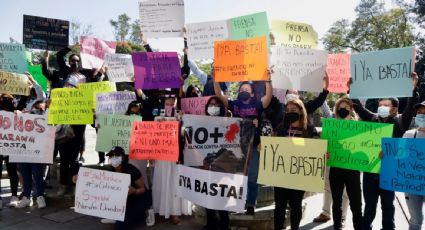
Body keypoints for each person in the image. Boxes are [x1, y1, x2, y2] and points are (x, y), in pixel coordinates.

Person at [351, 72, 419, 230]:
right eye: (381, 104)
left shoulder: (400, 123)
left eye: (386, 105)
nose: (382, 107)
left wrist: (412, 88)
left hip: (388, 172)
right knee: (369, 207)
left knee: (388, 206)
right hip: (370, 173)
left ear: (394, 110)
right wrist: (352, 89)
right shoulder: (372, 119)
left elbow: (409, 109)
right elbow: (358, 108)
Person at [213, 68, 273, 215]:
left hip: (254, 145)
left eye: (247, 89)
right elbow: (219, 95)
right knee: (237, 175)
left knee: (253, 176)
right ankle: (236, 202)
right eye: (241, 89)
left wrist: (268, 80)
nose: (243, 90)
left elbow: (268, 97)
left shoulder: (258, 104)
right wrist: (215, 79)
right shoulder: (234, 104)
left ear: (252, 93)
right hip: (237, 147)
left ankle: (251, 203)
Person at [274, 99, 319, 230]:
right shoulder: (281, 128)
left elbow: (317, 148)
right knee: (279, 206)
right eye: (287, 110)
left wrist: (322, 153)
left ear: (300, 111)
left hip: (299, 176)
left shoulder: (309, 130)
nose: (289, 113)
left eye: (293, 110)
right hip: (280, 174)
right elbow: (273, 146)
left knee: (296, 205)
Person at [152, 95, 192, 224]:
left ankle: (175, 211)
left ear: (176, 105)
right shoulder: (157, 118)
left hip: (176, 155)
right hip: (162, 156)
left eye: (172, 104)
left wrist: (182, 121)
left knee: (175, 182)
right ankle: (162, 208)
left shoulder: (181, 118)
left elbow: (186, 136)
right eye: (167, 104)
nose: (169, 106)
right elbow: (151, 138)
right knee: (163, 181)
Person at [328, 97, 363, 230]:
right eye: (341, 108)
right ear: (337, 110)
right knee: (336, 203)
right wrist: (326, 153)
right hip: (336, 170)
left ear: (351, 109)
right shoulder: (332, 126)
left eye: (346, 108)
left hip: (352, 170)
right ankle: (337, 226)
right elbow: (326, 146)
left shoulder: (359, 127)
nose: (343, 110)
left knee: (356, 204)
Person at [201, 96, 230, 230]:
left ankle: (224, 224)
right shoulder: (201, 122)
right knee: (207, 194)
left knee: (222, 196)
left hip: (222, 165)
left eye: (216, 105)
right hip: (207, 164)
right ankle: (210, 223)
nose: (213, 107)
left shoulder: (227, 122)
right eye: (211, 104)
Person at [15, 100, 47, 209]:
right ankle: (27, 197)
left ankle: (40, 196)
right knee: (25, 175)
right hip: (23, 151)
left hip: (35, 151)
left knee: (37, 175)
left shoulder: (42, 115)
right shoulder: (21, 114)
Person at [402, 100, 425, 230]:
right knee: (416, 219)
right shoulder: (409, 135)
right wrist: (386, 156)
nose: (421, 115)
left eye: (424, 113)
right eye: (419, 112)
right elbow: (398, 158)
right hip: (412, 184)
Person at [0, 93, 20, 208]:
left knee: (12, 172)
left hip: (11, 147)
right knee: (12, 172)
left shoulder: (15, 113)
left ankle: (14, 195)